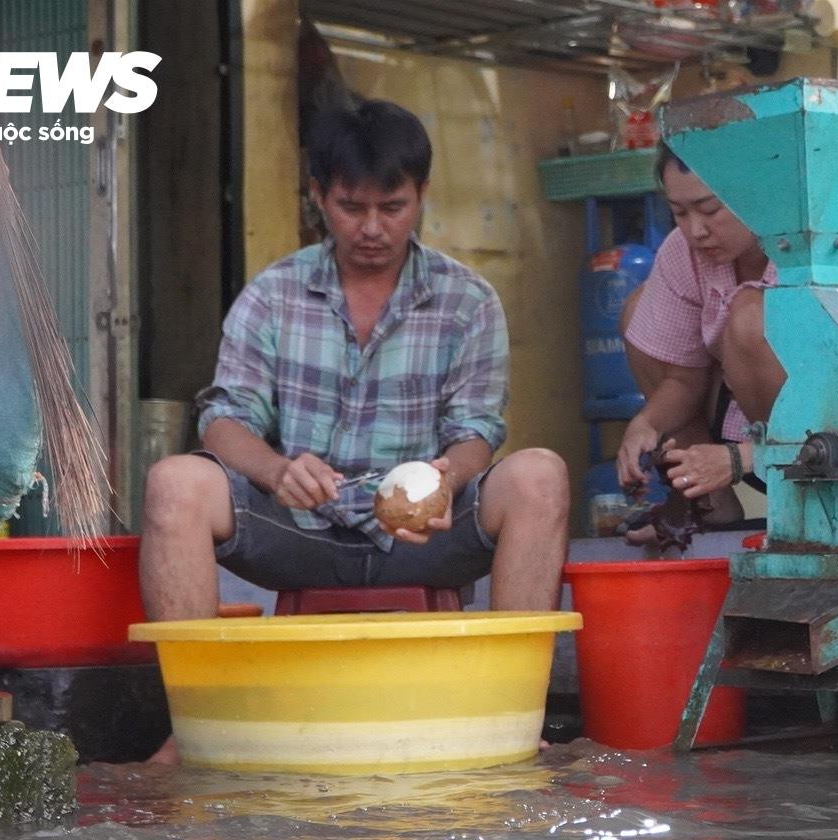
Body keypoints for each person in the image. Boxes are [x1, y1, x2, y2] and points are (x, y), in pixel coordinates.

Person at [139, 98, 570, 763]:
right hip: (301, 532)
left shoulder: (468, 300)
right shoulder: (273, 293)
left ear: (421, 195)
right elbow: (224, 419)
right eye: (350, 207)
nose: (371, 227)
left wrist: (446, 478)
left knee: (540, 475)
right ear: (318, 197)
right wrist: (278, 472)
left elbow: (477, 427)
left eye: (391, 207)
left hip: (424, 536)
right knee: (175, 482)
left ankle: (514, 715)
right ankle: (202, 721)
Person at [616, 146, 838, 520]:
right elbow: (683, 377)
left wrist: (741, 459)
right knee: (640, 311)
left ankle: (813, 506)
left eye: (710, 210)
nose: (696, 230)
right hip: (737, 415)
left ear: (759, 194)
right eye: (679, 213)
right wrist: (646, 424)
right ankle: (707, 504)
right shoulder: (683, 253)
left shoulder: (825, 259)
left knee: (751, 317)